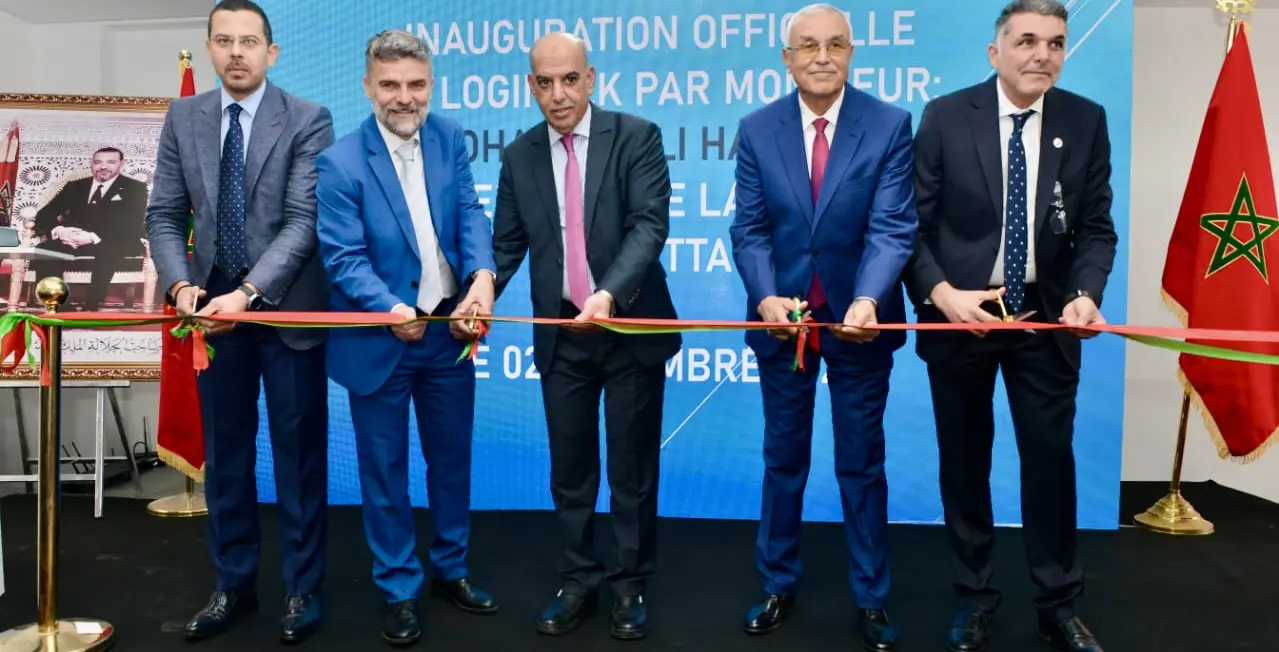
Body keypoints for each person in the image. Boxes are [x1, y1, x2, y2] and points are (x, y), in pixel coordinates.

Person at [904, 1, 1116, 651]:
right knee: (964, 463)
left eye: (1055, 43)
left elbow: (1095, 229)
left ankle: (1058, 604)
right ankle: (974, 598)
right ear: (995, 52)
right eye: (1026, 41)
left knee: (1049, 463)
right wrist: (941, 295)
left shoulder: (1085, 120)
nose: (1041, 54)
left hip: (1046, 320)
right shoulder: (945, 116)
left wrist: (1084, 295)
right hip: (961, 319)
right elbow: (910, 225)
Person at [728, 4, 917, 650]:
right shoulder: (758, 129)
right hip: (784, 327)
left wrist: (868, 298)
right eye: (807, 46)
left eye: (835, 44)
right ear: (787, 59)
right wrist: (764, 298)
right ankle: (777, 582)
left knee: (861, 464)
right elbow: (750, 229)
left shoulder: (888, 125)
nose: (821, 56)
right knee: (783, 460)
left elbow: (892, 228)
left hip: (859, 325)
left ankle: (871, 597)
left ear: (851, 52)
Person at [144, 0, 333, 644]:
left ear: (271, 52)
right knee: (226, 457)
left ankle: (302, 589)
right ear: (209, 48)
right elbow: (164, 214)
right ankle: (233, 587)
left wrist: (249, 293)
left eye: (248, 41)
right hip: (209, 313)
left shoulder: (307, 118)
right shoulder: (184, 116)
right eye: (223, 40)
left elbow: (304, 222)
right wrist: (181, 286)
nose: (235, 53)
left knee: (298, 457)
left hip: (286, 307)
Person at [491, 31, 680, 642]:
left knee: (631, 469)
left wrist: (608, 293)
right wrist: (480, 291)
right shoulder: (518, 156)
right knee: (570, 472)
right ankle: (577, 579)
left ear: (591, 78)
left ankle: (628, 584)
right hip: (562, 334)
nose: (558, 94)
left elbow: (649, 227)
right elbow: (504, 246)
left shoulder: (636, 137)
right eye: (545, 82)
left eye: (569, 79)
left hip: (628, 327)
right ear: (531, 86)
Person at [314, 29, 498, 647]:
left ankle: (451, 569)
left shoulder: (449, 136)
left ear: (431, 84)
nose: (404, 97)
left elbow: (470, 214)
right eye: (390, 85)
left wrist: (482, 277)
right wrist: (389, 307)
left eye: (416, 84)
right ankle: (398, 588)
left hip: (447, 330)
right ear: (367, 87)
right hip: (380, 340)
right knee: (384, 471)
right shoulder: (339, 162)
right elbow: (342, 259)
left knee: (451, 460)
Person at [29, 147, 149, 310]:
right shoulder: (75, 186)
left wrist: (92, 237)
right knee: (45, 249)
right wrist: (61, 231)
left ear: (122, 164)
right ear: (91, 164)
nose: (103, 166)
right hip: (73, 240)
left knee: (109, 249)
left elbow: (131, 222)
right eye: (98, 162)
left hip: (114, 240)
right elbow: (44, 215)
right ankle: (58, 304)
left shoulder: (135, 188)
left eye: (111, 162)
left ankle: (92, 304)